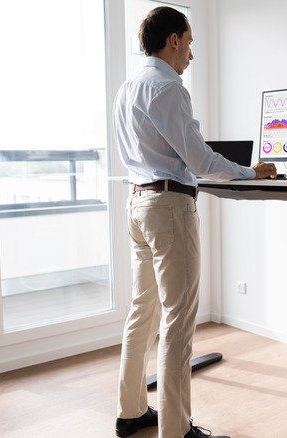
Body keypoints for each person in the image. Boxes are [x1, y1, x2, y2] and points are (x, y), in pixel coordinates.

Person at [111, 6, 276, 438]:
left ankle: (131, 412)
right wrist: (249, 171)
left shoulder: (127, 88)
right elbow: (200, 159)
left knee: (141, 314)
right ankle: (176, 431)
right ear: (173, 40)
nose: (191, 55)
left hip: (137, 205)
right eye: (190, 43)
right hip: (168, 208)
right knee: (178, 319)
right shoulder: (167, 87)